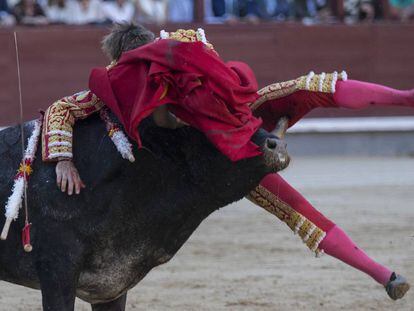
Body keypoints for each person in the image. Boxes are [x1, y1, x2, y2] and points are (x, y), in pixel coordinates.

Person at [41, 24, 411, 300]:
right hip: (245, 120)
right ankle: (405, 97)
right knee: (308, 89)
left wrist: (62, 159)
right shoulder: (185, 42)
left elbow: (62, 109)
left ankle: (384, 275)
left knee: (299, 214)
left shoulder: (119, 82)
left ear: (119, 58)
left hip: (222, 162)